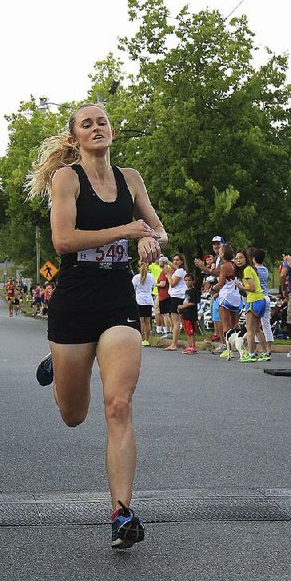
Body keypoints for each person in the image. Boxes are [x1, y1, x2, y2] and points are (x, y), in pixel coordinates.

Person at [25, 103, 167, 550]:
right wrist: (126, 229)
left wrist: (148, 238)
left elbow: (159, 232)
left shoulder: (132, 179)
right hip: (74, 301)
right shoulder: (66, 179)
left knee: (118, 405)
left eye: (102, 121)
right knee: (73, 414)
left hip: (116, 299)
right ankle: (63, 360)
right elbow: (63, 241)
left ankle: (122, 512)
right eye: (86, 124)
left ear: (111, 131)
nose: (97, 127)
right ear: (74, 138)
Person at [235, 249, 270, 362]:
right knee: (256, 329)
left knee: (249, 329)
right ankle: (265, 352)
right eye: (236, 258)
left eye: (241, 258)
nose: (238, 260)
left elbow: (252, 287)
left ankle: (251, 353)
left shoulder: (246, 270)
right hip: (261, 299)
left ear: (246, 259)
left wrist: (241, 287)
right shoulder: (250, 269)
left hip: (254, 300)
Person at [194, 235, 225, 341]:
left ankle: (225, 342)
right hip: (218, 291)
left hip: (224, 292)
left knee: (224, 319)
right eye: (214, 244)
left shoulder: (223, 259)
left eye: (218, 243)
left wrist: (203, 267)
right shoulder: (217, 259)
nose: (216, 246)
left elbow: (218, 273)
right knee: (216, 316)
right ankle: (220, 339)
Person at [210, 243, 240, 340]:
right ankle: (237, 341)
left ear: (223, 253)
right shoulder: (234, 264)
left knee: (225, 323)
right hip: (235, 295)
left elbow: (220, 284)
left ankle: (227, 347)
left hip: (226, 296)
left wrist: (213, 288)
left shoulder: (224, 266)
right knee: (234, 322)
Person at [163, 253, 187, 351]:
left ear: (182, 261)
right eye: (174, 260)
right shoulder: (179, 271)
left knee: (175, 322)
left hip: (177, 297)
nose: (175, 262)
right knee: (178, 321)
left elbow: (172, 284)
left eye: (177, 260)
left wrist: (168, 275)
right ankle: (179, 342)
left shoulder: (180, 271)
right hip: (177, 296)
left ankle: (174, 344)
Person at [132, 261, 155, 346]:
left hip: (139, 300)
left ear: (139, 268)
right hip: (148, 299)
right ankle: (147, 339)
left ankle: (142, 339)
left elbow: (133, 288)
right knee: (148, 321)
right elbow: (153, 286)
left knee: (141, 321)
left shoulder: (136, 277)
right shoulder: (151, 277)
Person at [176, 272, 198, 354]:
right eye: (186, 280)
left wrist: (182, 307)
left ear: (193, 281)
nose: (187, 282)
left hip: (191, 314)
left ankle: (193, 346)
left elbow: (192, 303)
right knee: (187, 331)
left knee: (191, 332)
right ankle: (189, 345)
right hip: (185, 314)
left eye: (189, 280)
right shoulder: (187, 291)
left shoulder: (193, 291)